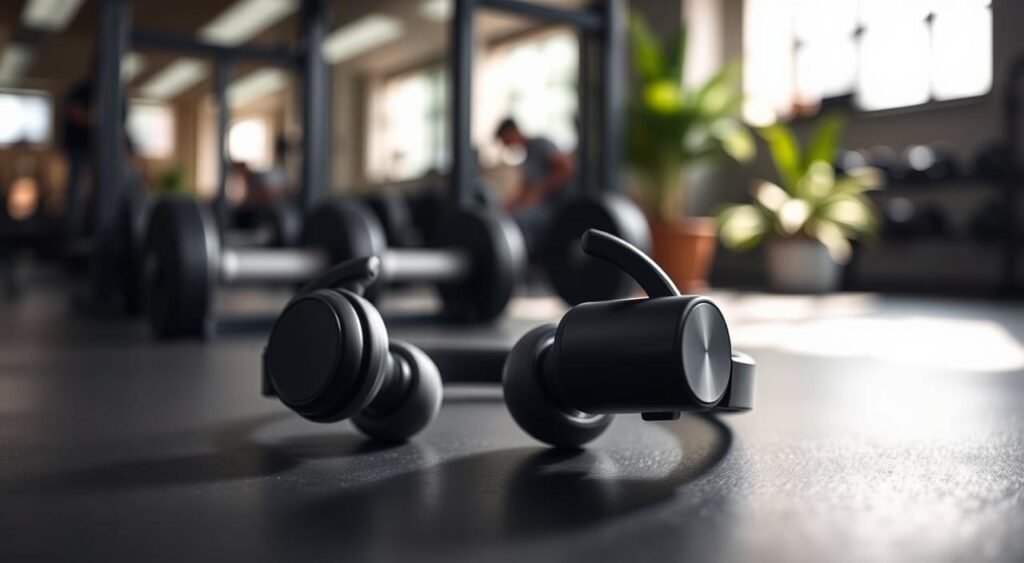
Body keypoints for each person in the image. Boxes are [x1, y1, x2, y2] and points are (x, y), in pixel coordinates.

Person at [494, 117, 575, 254]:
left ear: (513, 132)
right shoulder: (527, 158)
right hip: (541, 205)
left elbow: (566, 168)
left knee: (518, 221)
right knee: (509, 217)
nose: (506, 146)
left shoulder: (540, 144)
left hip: (557, 206)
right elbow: (525, 192)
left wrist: (540, 191)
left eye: (506, 141)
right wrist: (507, 207)